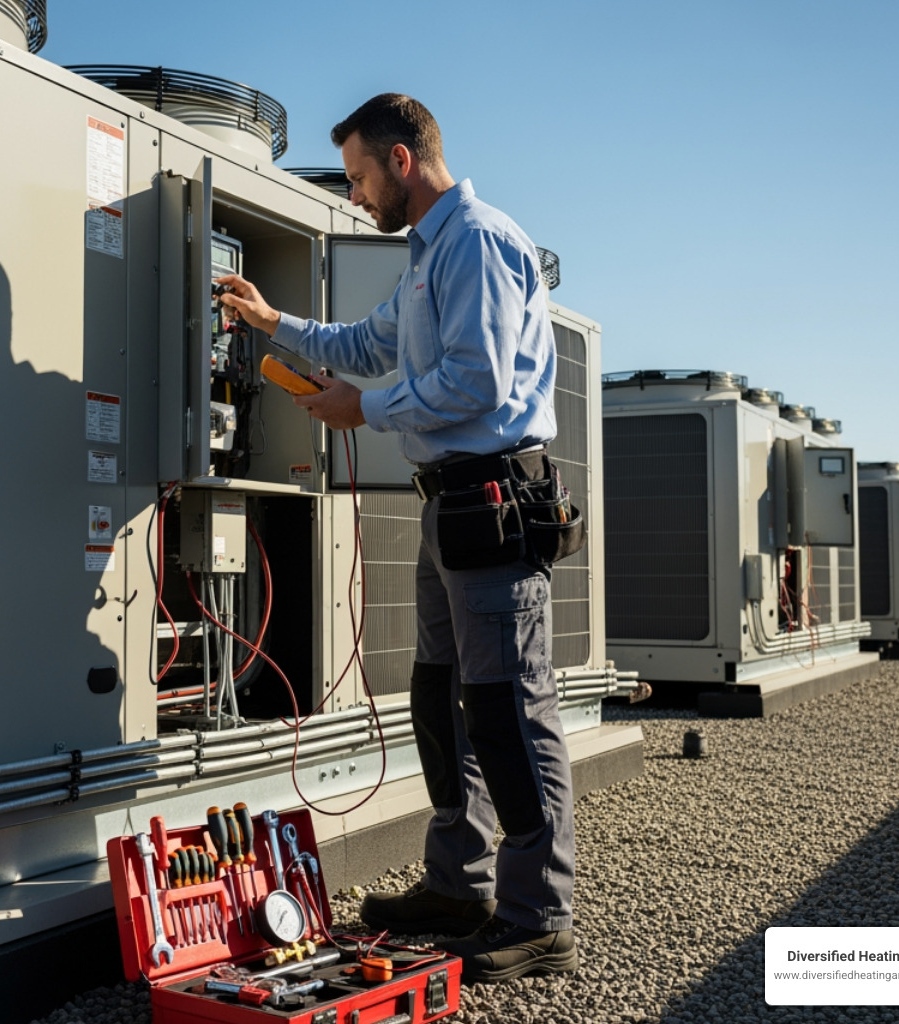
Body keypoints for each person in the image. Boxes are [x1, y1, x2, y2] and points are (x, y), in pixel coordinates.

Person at [214, 93, 576, 984]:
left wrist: (364, 410)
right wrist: (274, 326)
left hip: (491, 505)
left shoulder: (481, 242)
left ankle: (539, 916)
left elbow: (477, 383)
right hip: (447, 509)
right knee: (441, 701)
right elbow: (370, 344)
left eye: (359, 175)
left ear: (402, 162)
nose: (353, 194)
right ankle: (461, 884)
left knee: (507, 713)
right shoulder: (423, 260)